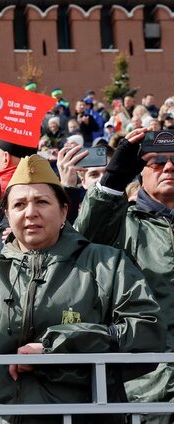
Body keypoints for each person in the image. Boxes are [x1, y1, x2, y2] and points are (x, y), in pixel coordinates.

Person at [0, 154, 163, 424]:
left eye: (42, 202)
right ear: (8, 215)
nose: (30, 212)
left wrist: (55, 350)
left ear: (64, 212)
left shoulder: (105, 263)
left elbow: (146, 333)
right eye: (19, 204)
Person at [73, 127, 174, 423]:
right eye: (157, 161)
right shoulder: (122, 223)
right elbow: (81, 245)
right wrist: (113, 181)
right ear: (140, 170)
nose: (169, 167)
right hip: (141, 388)